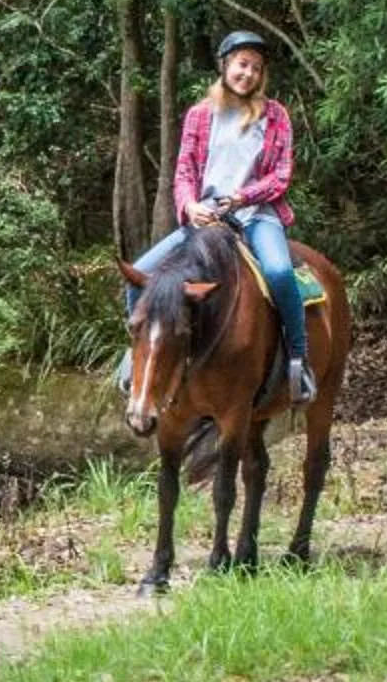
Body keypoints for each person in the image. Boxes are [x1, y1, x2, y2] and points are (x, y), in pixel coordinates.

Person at [116, 31, 316, 403]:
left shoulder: (276, 117)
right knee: (138, 279)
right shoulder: (200, 114)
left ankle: (298, 360)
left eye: (256, 68)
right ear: (225, 65)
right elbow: (185, 171)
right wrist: (190, 206)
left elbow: (281, 176)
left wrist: (242, 197)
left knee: (277, 272)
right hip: (204, 219)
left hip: (257, 216)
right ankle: (137, 354)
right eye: (242, 64)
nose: (249, 73)